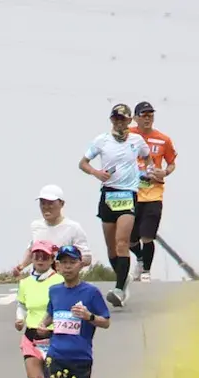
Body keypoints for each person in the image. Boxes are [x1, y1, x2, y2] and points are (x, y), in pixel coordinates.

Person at [40, 244, 111, 378]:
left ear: (80, 265)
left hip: (80, 358)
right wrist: (43, 325)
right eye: (64, 263)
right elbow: (51, 313)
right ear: (57, 266)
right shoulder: (54, 290)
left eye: (72, 262)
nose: (68, 267)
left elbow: (106, 321)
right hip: (56, 355)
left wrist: (89, 316)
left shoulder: (91, 292)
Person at [80, 104, 149, 308]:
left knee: (121, 242)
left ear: (129, 121)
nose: (119, 122)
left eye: (123, 119)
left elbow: (147, 157)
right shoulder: (101, 140)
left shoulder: (137, 140)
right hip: (108, 194)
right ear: (111, 120)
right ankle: (123, 280)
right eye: (116, 119)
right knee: (111, 247)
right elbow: (83, 163)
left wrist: (146, 172)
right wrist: (96, 173)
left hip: (128, 194)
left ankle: (118, 289)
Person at [15, 241, 62, 378]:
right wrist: (19, 319)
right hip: (31, 338)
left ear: (52, 259)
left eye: (44, 256)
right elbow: (22, 305)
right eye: (36, 256)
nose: (40, 260)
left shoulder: (60, 281)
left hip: (55, 338)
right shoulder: (25, 283)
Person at [129, 101, 177, 284]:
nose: (147, 118)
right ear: (135, 118)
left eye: (150, 115)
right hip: (130, 192)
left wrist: (165, 172)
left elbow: (171, 162)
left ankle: (146, 271)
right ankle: (140, 258)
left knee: (147, 236)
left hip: (154, 193)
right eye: (144, 115)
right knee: (130, 238)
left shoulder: (163, 139)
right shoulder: (128, 135)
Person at [15, 185, 93, 274]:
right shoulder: (36, 226)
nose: (46, 207)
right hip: (39, 278)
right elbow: (32, 251)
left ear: (62, 204)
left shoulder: (73, 227)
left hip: (63, 279)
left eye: (50, 203)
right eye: (43, 203)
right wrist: (21, 267)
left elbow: (87, 258)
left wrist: (68, 265)